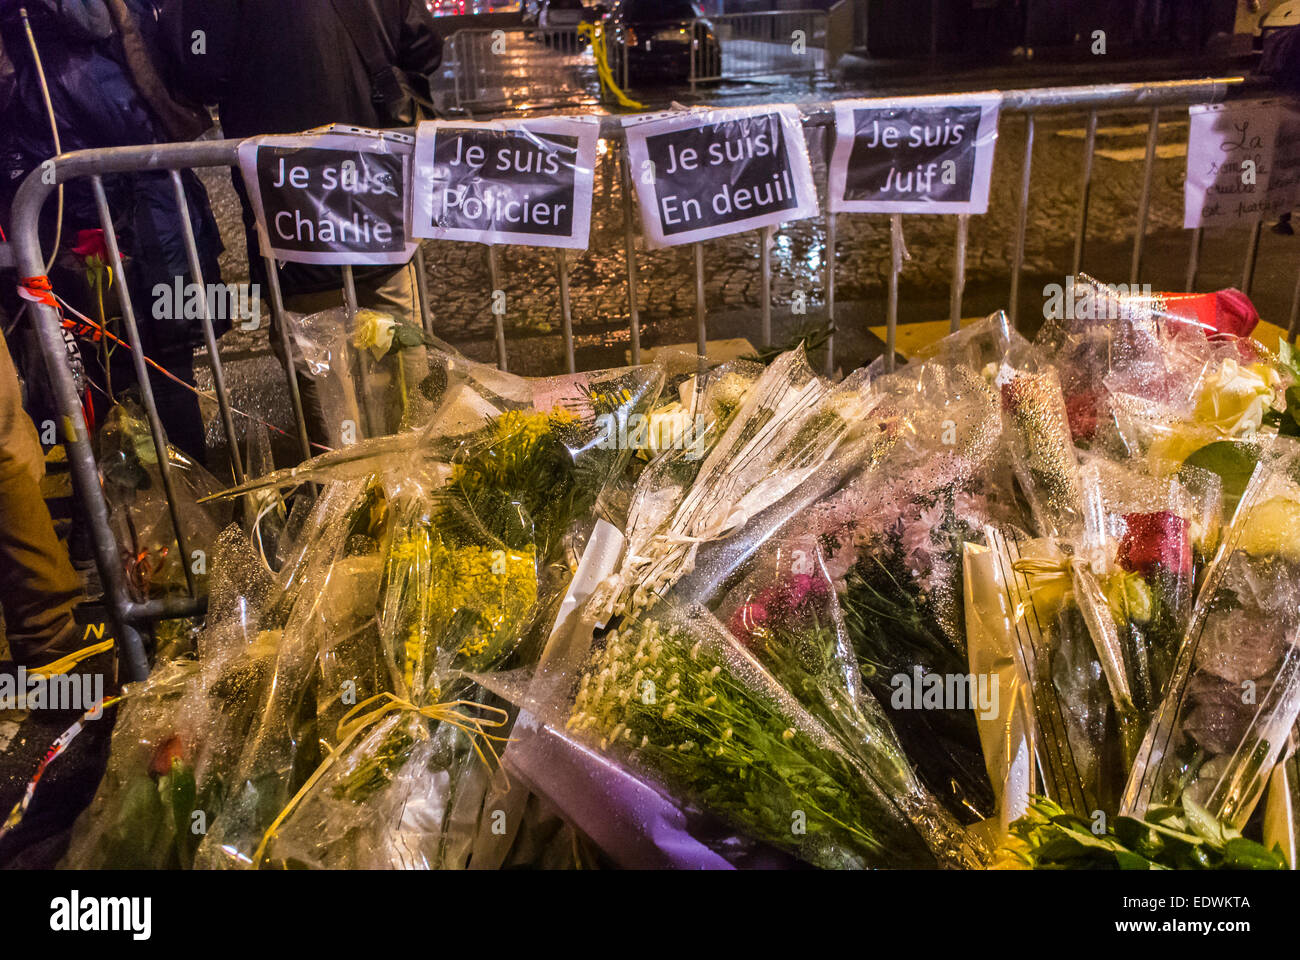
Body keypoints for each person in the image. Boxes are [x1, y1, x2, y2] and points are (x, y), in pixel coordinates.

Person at [162, 0, 443, 450]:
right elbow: (424, 45)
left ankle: (347, 504)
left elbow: (195, 71)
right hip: (375, 203)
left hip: (287, 210)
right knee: (398, 347)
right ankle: (416, 492)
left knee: (319, 368)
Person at [0, 0, 224, 466]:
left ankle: (147, 524)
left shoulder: (28, 48)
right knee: (164, 375)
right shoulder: (119, 24)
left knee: (107, 385)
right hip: (153, 227)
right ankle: (192, 515)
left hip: (90, 243)